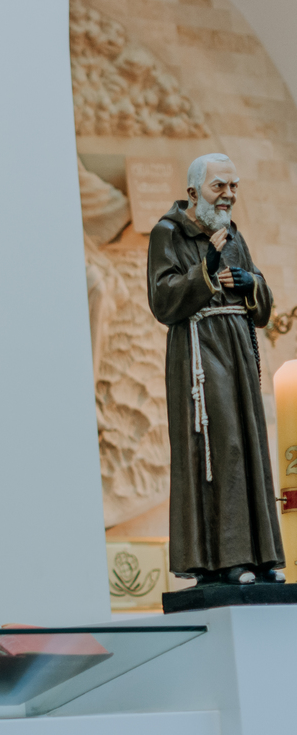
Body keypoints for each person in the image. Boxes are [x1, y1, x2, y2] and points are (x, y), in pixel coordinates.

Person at [147, 153, 284, 586]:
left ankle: (261, 556)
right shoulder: (168, 234)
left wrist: (251, 285)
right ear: (193, 193)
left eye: (233, 186)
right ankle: (226, 558)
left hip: (239, 354)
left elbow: (262, 305)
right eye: (218, 186)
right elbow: (163, 299)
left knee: (249, 443)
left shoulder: (233, 237)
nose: (228, 195)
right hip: (200, 357)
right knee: (222, 447)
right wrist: (204, 270)